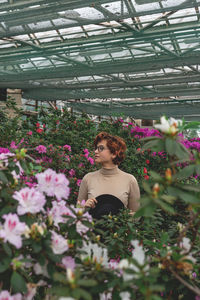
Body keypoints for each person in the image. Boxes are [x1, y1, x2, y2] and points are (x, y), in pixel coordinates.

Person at [77, 132, 140, 218]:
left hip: (118, 230)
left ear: (114, 153)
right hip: (91, 230)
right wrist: (84, 208)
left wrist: (125, 219)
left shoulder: (130, 180)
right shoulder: (88, 178)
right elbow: (77, 211)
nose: (95, 151)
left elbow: (136, 214)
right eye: (96, 148)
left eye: (101, 148)